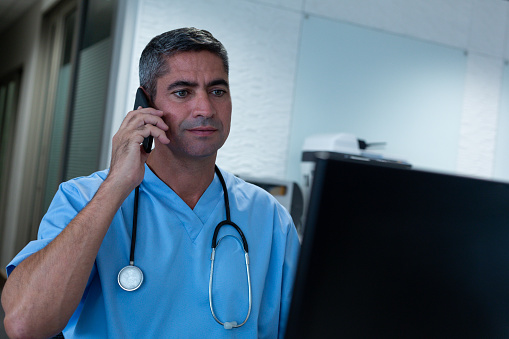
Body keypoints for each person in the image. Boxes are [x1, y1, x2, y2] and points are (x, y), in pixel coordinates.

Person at [1, 27, 300, 338]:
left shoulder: (268, 216)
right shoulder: (83, 198)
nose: (206, 109)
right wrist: (117, 183)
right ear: (145, 103)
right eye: (182, 92)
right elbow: (25, 324)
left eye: (217, 91)